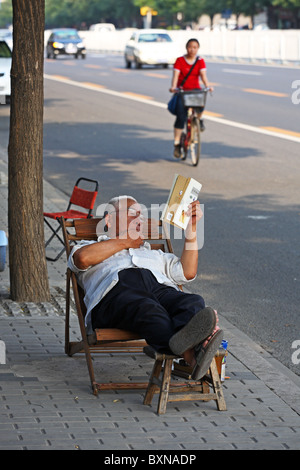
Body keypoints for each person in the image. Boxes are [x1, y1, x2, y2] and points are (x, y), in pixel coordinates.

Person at [68, 195, 223, 380]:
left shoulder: (152, 254)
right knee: (148, 308)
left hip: (158, 290)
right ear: (109, 219)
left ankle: (187, 350)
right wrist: (125, 242)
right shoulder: (88, 246)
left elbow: (187, 272)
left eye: (141, 216)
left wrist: (192, 228)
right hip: (115, 295)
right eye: (133, 213)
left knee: (193, 302)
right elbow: (82, 259)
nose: (139, 219)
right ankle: (192, 356)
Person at [169, 38, 213, 159]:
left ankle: (199, 119)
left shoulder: (200, 61)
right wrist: (173, 87)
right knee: (181, 117)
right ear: (186, 48)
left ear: (197, 48)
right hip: (182, 92)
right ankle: (177, 144)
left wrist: (208, 86)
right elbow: (175, 76)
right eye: (190, 47)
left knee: (201, 102)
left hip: (195, 91)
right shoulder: (179, 61)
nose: (192, 50)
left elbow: (203, 76)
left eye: (195, 47)